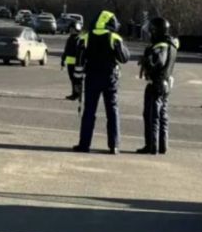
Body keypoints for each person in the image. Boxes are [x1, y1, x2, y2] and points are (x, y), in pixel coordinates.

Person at [71, 10, 129, 154]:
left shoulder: (85, 38)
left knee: (89, 112)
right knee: (112, 111)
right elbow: (124, 58)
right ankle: (114, 146)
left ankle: (84, 145)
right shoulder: (114, 37)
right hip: (110, 79)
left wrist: (77, 82)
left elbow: (79, 62)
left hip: (91, 78)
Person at [137, 17, 178, 155]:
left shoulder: (161, 47)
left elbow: (158, 63)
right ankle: (162, 146)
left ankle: (152, 146)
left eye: (152, 31)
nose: (150, 34)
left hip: (156, 84)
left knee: (152, 115)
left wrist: (146, 61)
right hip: (165, 84)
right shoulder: (171, 45)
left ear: (156, 31)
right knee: (162, 115)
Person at [60, 19, 84, 100]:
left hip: (78, 64)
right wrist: (63, 60)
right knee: (73, 79)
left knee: (78, 80)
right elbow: (66, 51)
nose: (71, 30)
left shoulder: (80, 40)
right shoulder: (69, 39)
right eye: (70, 29)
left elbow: (82, 52)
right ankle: (74, 93)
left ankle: (78, 94)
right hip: (70, 63)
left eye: (72, 29)